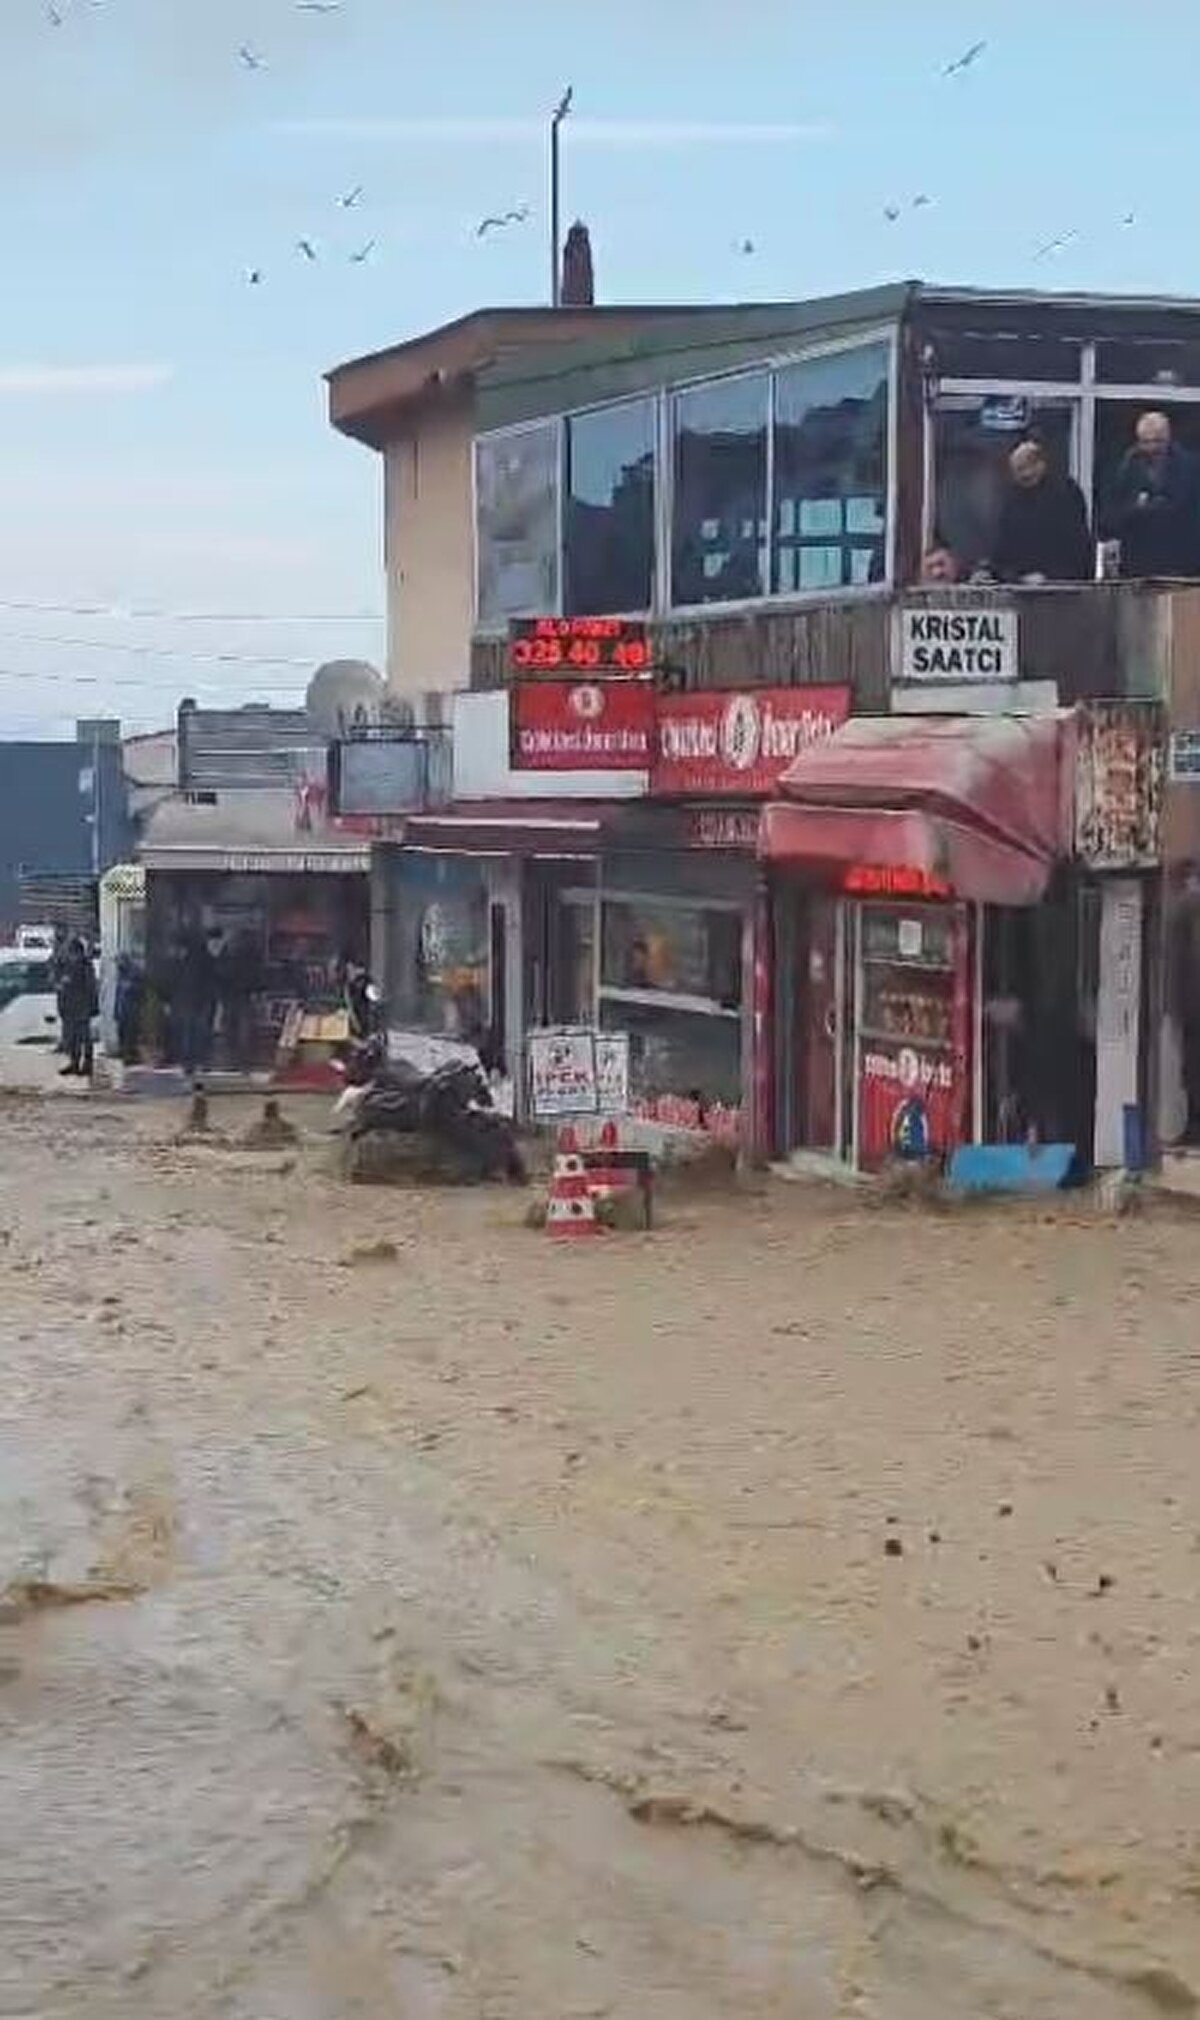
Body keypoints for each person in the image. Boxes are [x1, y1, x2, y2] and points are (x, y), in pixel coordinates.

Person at [1106, 410, 1200, 578]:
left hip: (1182, 561)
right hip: (1137, 562)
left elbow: (1187, 508)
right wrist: (1138, 507)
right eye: (1146, 442)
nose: (1152, 448)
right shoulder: (1125, 468)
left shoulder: (1190, 467)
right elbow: (1112, 512)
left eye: (1157, 441)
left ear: (1168, 437)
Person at [989, 437, 1093, 584]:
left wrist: (1050, 577)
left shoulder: (1065, 493)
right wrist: (1002, 574)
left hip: (1064, 588)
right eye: (1016, 470)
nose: (1022, 475)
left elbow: (1076, 545)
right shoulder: (1013, 500)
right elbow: (1003, 546)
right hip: (1021, 586)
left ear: (1041, 464)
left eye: (1024, 467)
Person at [58, 937, 98, 1078]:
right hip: (70, 1008)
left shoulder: (85, 966)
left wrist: (92, 1007)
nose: (70, 956)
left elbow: (91, 987)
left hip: (82, 1008)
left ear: (78, 952)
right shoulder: (68, 965)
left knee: (85, 1038)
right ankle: (74, 1063)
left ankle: (87, 1065)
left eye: (71, 952)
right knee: (72, 1039)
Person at [114, 952, 145, 1066]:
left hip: (132, 1007)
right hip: (123, 1007)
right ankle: (125, 1053)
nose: (118, 965)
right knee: (122, 1032)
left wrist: (131, 987)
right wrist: (116, 1011)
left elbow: (142, 989)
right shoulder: (121, 973)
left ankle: (131, 1055)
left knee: (131, 1033)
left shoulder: (136, 972)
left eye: (119, 962)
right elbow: (118, 993)